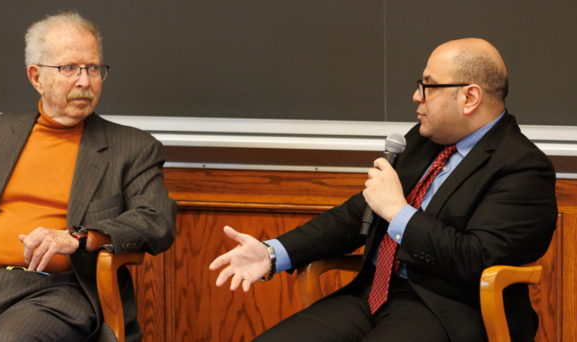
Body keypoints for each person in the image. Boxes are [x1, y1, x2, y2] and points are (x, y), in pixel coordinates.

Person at [209, 38, 556, 342]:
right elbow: (356, 215)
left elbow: (476, 258)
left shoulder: (522, 168)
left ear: (469, 97)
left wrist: (399, 213)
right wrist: (273, 254)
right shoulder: (422, 141)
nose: (416, 96)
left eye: (429, 86)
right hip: (373, 294)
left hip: (447, 310)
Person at [0, 12, 177, 342]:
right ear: (36, 77)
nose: (85, 81)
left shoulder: (132, 147)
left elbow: (156, 221)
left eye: (93, 68)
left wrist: (77, 237)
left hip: (58, 291)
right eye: (69, 68)